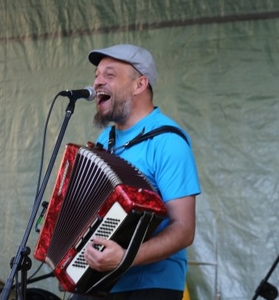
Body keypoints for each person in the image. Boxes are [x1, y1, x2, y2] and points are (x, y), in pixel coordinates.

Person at [73, 44, 201, 300]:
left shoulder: (168, 141)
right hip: (98, 281)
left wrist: (125, 258)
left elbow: (184, 229)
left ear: (139, 84)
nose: (97, 82)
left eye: (109, 75)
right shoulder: (105, 139)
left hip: (151, 286)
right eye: (96, 75)